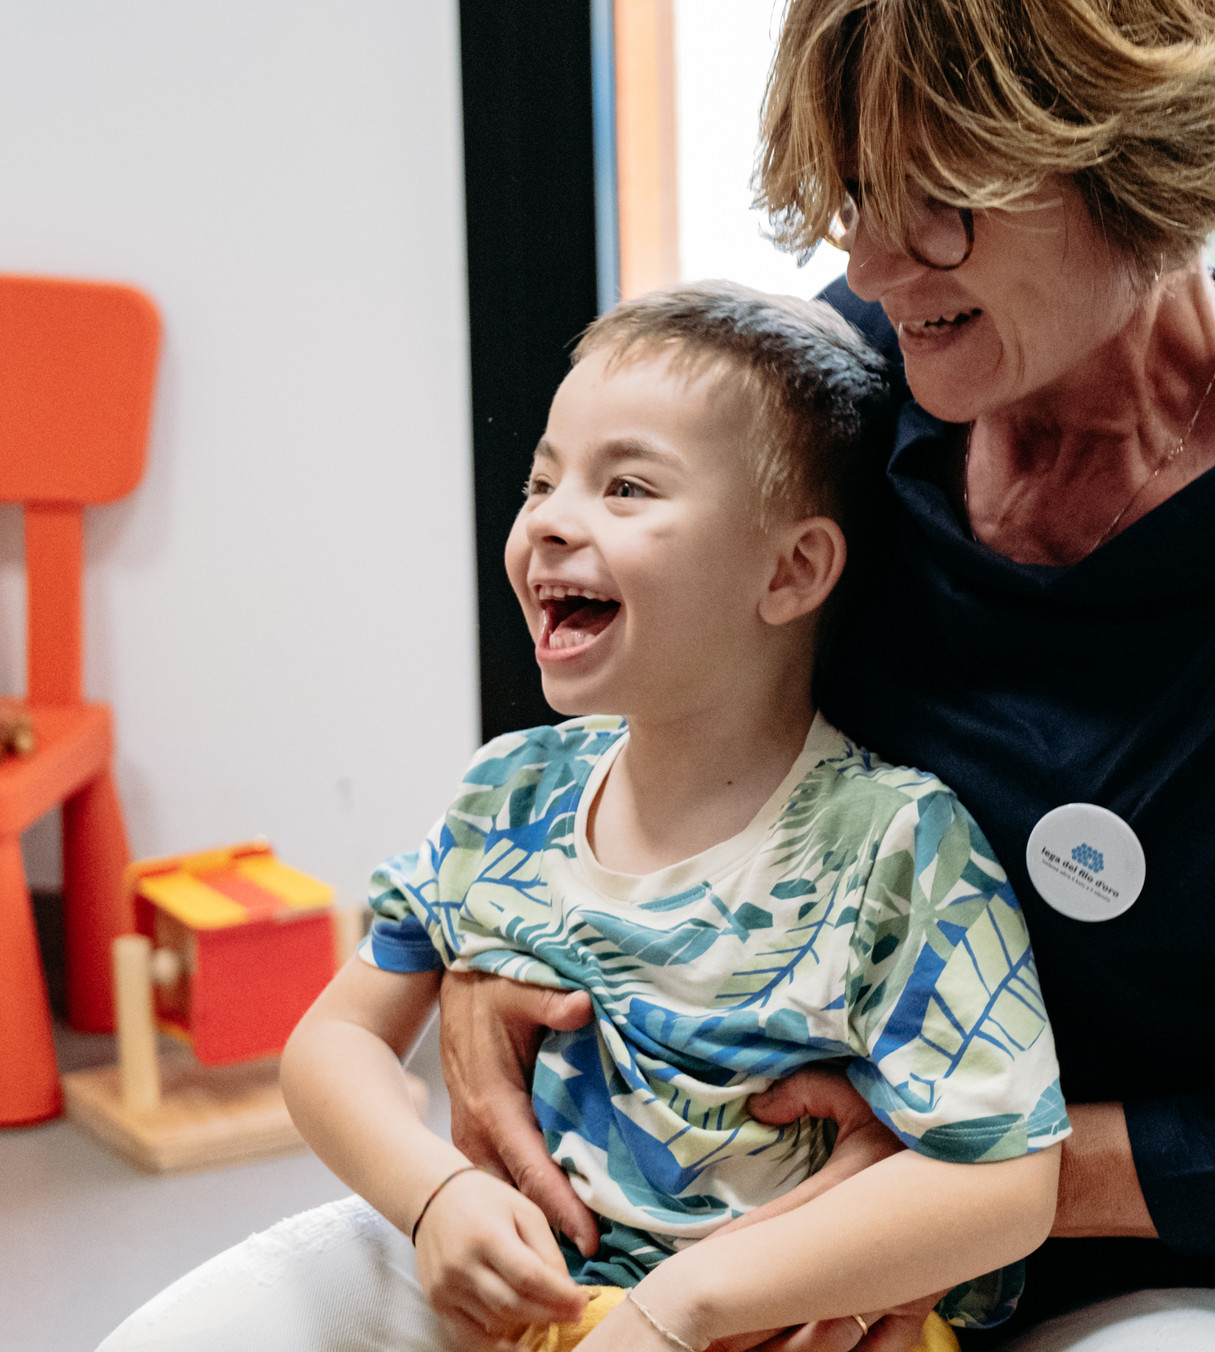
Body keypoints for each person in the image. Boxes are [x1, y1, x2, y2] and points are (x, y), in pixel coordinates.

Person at [444, 4, 1215, 1352]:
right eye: (859, 193)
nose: (876, 264)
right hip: (793, 1190)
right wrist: (507, 964)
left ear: (1132, 159)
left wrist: (978, 1187)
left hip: (1205, 1270)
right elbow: (664, 691)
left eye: (940, 204)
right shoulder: (861, 392)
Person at [100, 283, 1070, 1352]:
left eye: (628, 488)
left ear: (792, 569)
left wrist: (684, 1302)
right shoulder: (508, 795)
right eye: (544, 480)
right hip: (535, 1304)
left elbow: (1007, 1184)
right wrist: (434, 1197)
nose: (553, 518)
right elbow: (334, 1040)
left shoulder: (898, 845)